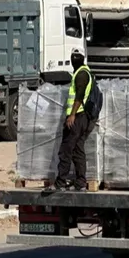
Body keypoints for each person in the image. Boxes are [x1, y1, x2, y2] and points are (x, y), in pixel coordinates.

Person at [55, 50, 95, 190]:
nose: (74, 59)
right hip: (82, 117)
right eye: (73, 56)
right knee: (78, 150)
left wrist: (72, 115)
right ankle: (80, 183)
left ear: (83, 58)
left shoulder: (82, 74)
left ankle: (60, 183)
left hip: (77, 117)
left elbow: (79, 95)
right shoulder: (83, 72)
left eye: (77, 57)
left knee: (66, 149)